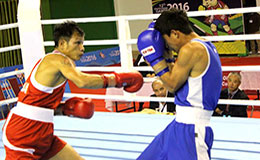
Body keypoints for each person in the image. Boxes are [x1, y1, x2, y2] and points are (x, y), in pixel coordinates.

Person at [2, 21, 143, 160]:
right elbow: (82, 81)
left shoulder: (56, 64)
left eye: (82, 43)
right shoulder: (59, 60)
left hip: (42, 134)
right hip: (23, 134)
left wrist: (65, 109)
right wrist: (116, 80)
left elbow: (39, 106)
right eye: (77, 43)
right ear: (62, 43)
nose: (82, 48)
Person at [137, 8, 222, 160]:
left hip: (191, 129)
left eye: (166, 42)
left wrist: (155, 59)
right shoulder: (205, 45)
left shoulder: (191, 49)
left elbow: (171, 85)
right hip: (178, 125)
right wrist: (168, 58)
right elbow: (178, 81)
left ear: (175, 33)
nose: (167, 46)